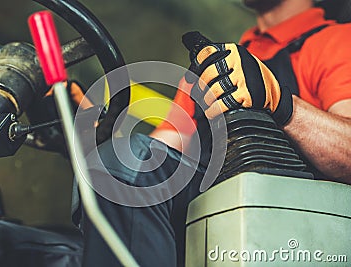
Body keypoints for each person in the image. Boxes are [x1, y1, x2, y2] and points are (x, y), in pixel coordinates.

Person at [0, 0, 351, 266]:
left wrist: (283, 103)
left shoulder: (335, 41)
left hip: (277, 236)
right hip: (176, 236)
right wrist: (84, 121)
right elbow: (158, 153)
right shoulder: (217, 57)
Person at [81, 0, 351, 266]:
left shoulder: (337, 40)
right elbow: (148, 161)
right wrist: (92, 139)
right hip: (209, 221)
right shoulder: (218, 63)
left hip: (297, 234)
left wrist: (282, 102)